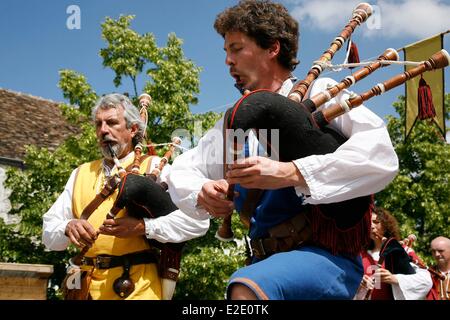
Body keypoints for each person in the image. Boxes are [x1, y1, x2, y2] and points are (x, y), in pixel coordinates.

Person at [167, 0, 398, 300]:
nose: (227, 61)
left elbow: (380, 155)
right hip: (264, 265)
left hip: (326, 262)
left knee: (244, 292)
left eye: (236, 48)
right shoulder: (234, 123)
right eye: (225, 52)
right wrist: (202, 191)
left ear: (272, 48)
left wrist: (290, 172)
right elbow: (184, 168)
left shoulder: (322, 93)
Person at [42, 93, 209, 300]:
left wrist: (143, 227)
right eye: (98, 124)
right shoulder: (80, 173)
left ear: (132, 130)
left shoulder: (156, 167)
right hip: (85, 289)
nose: (103, 130)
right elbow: (49, 236)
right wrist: (67, 227)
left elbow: (197, 222)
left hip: (137, 287)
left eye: (112, 123)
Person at [357, 207, 432, 300]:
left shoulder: (402, 250)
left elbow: (426, 281)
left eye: (376, 222)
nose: (371, 226)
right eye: (368, 223)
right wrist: (359, 283)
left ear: (386, 226)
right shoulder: (359, 254)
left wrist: (395, 279)